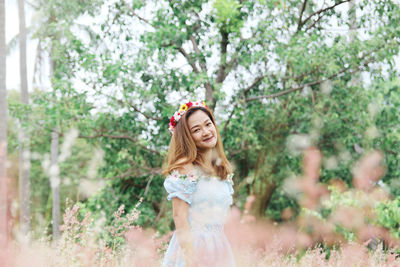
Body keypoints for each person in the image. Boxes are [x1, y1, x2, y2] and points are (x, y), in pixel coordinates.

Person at [162, 101, 236, 267]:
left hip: (220, 248)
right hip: (194, 246)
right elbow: (179, 217)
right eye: (196, 130)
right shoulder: (185, 168)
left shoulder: (221, 169)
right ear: (187, 137)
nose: (206, 132)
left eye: (208, 124)